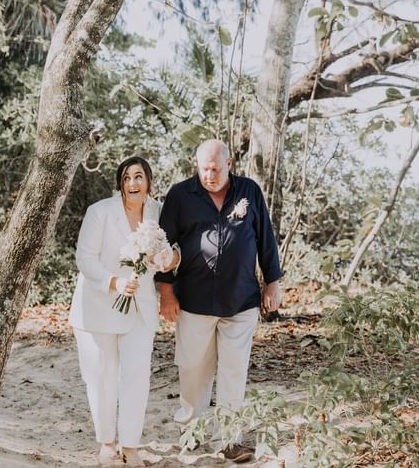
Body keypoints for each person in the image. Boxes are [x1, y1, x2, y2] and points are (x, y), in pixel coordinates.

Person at [155, 139, 283, 463]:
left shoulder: (249, 191)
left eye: (214, 168)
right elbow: (163, 246)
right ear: (196, 165)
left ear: (229, 163)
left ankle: (229, 439)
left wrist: (273, 283)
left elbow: (265, 237)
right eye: (203, 168)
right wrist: (166, 293)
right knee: (194, 369)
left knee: (233, 371)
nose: (209, 175)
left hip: (240, 299)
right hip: (193, 300)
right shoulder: (180, 196)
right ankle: (191, 431)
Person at [69, 156, 179, 467]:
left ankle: (130, 446)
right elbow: (85, 258)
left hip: (140, 308)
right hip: (99, 305)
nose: (133, 183)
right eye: (127, 178)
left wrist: (167, 260)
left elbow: (170, 253)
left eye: (139, 177)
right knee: (103, 376)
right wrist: (114, 282)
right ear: (120, 183)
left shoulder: (159, 212)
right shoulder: (100, 212)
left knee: (136, 375)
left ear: (148, 182)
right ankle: (107, 441)